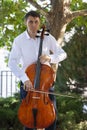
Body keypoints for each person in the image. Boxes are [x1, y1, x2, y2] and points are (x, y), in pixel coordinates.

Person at [8, 10, 67, 130]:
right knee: (29, 120)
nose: (33, 25)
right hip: (27, 84)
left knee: (51, 118)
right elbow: (12, 62)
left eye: (36, 22)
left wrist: (50, 58)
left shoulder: (47, 37)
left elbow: (63, 54)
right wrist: (24, 79)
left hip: (45, 85)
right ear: (25, 22)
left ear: (39, 23)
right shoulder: (19, 40)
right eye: (30, 22)